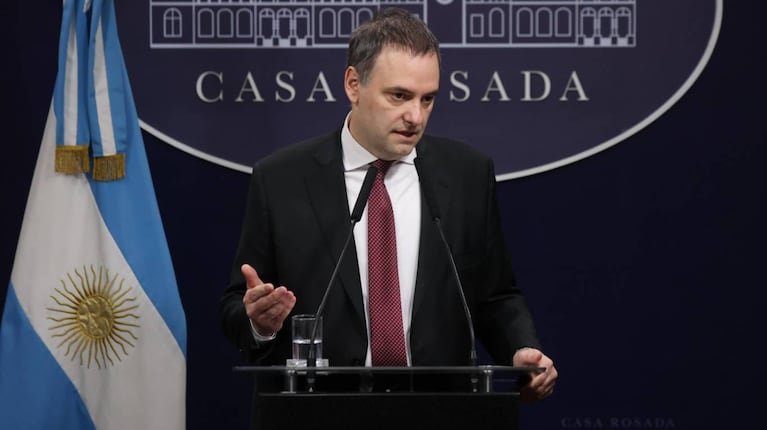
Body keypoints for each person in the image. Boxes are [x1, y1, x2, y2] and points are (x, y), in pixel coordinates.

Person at [220, 5, 557, 408]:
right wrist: (258, 323)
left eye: (427, 99)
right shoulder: (281, 179)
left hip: (438, 413)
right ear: (353, 84)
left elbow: (495, 296)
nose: (415, 116)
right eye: (399, 95)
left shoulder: (467, 174)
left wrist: (520, 350)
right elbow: (236, 305)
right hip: (318, 414)